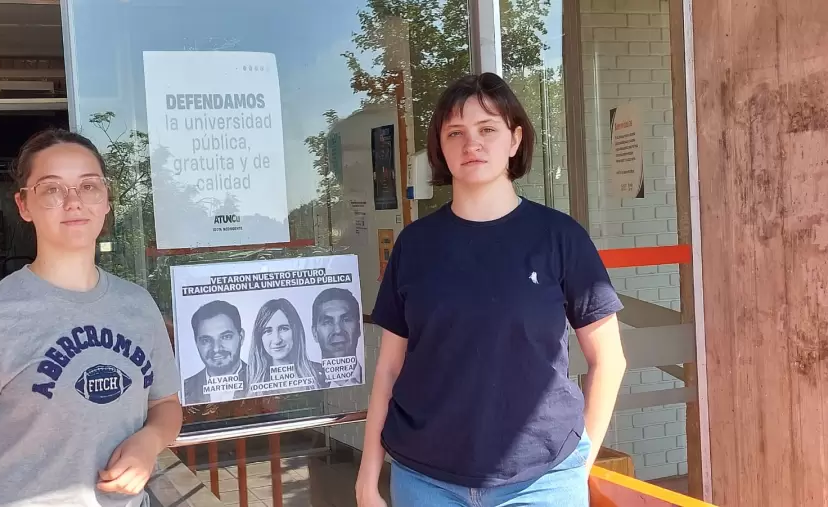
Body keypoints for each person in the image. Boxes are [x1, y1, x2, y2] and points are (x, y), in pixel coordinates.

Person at [355, 73, 627, 507]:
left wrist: (580, 465)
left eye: (488, 129)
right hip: (425, 480)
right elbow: (389, 368)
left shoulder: (559, 238)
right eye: (455, 133)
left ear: (515, 139)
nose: (471, 144)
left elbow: (608, 358)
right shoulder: (416, 245)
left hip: (542, 480)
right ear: (440, 148)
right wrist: (367, 478)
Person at [0, 129, 183, 507]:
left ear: (106, 200)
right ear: (24, 205)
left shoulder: (138, 304)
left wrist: (147, 443)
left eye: (89, 186)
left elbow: (166, 405)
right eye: (52, 189)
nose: (74, 201)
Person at [247, 298, 327, 396]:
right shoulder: (248, 380)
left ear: (295, 331)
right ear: (259, 337)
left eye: (283, 329)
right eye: (268, 331)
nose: (277, 340)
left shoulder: (320, 372)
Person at [183, 300, 248, 404]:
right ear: (196, 343)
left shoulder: (262, 379)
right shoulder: (183, 390)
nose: (216, 349)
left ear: (241, 337)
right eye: (206, 340)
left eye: (226, 337)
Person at [311, 287, 363, 387]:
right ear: (315, 333)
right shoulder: (309, 385)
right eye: (327, 322)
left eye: (346, 320)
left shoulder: (375, 375)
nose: (338, 330)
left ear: (358, 328)